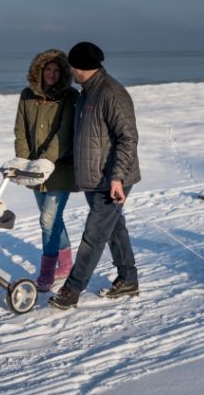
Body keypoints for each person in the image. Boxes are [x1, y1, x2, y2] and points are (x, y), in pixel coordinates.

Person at [49, 41, 141, 309]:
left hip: (111, 179)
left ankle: (72, 290)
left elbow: (128, 138)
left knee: (94, 236)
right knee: (114, 230)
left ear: (80, 68)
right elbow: (88, 138)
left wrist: (117, 177)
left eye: (71, 67)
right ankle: (128, 279)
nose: (69, 71)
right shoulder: (87, 91)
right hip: (93, 177)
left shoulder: (111, 93)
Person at [13, 49, 79, 291]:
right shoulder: (27, 95)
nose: (51, 74)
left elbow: (64, 133)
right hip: (32, 169)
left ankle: (47, 272)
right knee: (53, 219)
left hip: (60, 167)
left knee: (47, 220)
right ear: (39, 71)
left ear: (62, 74)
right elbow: (20, 130)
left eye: (56, 70)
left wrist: (47, 161)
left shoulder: (70, 96)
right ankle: (66, 262)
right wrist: (23, 160)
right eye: (47, 70)